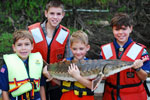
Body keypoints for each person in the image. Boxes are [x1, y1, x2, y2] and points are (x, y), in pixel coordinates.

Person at [28, 0, 72, 100]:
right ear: (46, 13)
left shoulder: (66, 33)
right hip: (35, 81)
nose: (55, 17)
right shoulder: (32, 30)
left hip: (55, 82)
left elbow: (68, 58)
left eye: (58, 14)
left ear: (63, 15)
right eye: (52, 13)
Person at [100, 12, 150, 100]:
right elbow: (101, 76)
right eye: (117, 29)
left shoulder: (141, 50)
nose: (120, 33)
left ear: (130, 29)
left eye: (124, 29)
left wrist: (138, 68)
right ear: (112, 30)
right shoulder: (105, 50)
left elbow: (144, 76)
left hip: (134, 96)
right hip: (110, 95)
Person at [43, 30, 94, 100]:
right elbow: (61, 83)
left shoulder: (92, 65)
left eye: (81, 49)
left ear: (87, 48)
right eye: (74, 49)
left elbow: (92, 86)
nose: (78, 52)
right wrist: (50, 76)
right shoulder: (65, 62)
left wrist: (77, 77)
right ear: (70, 48)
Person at [0, 30, 46, 100]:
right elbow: (4, 91)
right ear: (14, 48)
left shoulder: (38, 64)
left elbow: (41, 86)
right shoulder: (6, 68)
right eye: (19, 45)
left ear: (32, 46)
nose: (23, 48)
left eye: (27, 44)